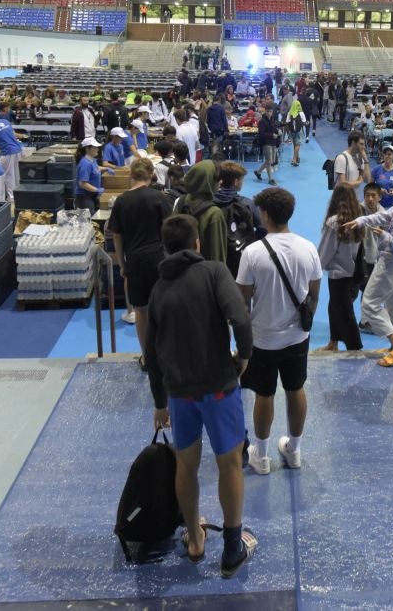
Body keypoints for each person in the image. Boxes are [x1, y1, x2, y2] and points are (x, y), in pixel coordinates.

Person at [144, 213, 256, 577]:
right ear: (196, 244)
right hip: (219, 388)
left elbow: (152, 351)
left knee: (185, 465)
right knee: (230, 464)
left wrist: (160, 402)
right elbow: (240, 317)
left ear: (165, 248)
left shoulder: (159, 289)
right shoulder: (214, 271)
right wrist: (244, 355)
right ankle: (232, 549)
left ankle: (194, 540)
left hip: (180, 395)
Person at [236, 187, 321, 476]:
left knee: (264, 393)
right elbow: (314, 295)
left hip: (263, 339)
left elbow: (242, 302)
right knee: (296, 389)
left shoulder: (252, 252)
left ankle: (260, 456)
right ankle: (294, 450)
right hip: (298, 337)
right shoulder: (308, 247)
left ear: (266, 214)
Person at [348, 167, 393, 366]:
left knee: (369, 304)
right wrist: (361, 220)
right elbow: (383, 217)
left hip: (392, 262)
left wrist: (384, 236)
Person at [108, 157, 176, 356]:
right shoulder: (158, 198)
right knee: (163, 309)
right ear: (151, 174)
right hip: (158, 259)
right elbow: (169, 228)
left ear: (131, 174)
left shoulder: (121, 201)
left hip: (134, 261)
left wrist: (122, 264)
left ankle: (147, 356)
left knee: (141, 311)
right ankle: (167, 354)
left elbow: (117, 236)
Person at [316, 183, 366, 353]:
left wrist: (315, 268)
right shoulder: (358, 217)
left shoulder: (335, 222)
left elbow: (326, 250)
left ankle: (355, 348)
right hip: (354, 272)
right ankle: (333, 342)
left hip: (339, 275)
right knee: (334, 307)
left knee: (344, 312)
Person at [253, 103, 279, 185]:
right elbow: (262, 134)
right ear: (265, 111)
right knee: (269, 161)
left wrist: (278, 131)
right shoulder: (261, 122)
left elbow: (274, 129)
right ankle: (271, 179)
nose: (269, 113)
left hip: (273, 142)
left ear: (272, 111)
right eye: (267, 111)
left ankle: (258, 172)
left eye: (270, 111)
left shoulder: (272, 119)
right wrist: (272, 135)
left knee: (270, 160)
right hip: (266, 143)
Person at [75, 135, 103, 213]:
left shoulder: (92, 160)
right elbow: (83, 184)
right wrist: (97, 189)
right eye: (95, 147)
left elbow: (96, 168)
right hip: (84, 197)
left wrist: (107, 168)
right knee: (89, 220)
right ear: (87, 149)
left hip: (92, 195)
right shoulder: (85, 164)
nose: (98, 149)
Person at [370, 144, 393, 208]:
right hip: (379, 204)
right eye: (385, 154)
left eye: (389, 154)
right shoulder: (376, 169)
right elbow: (370, 186)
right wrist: (379, 189)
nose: (386, 156)